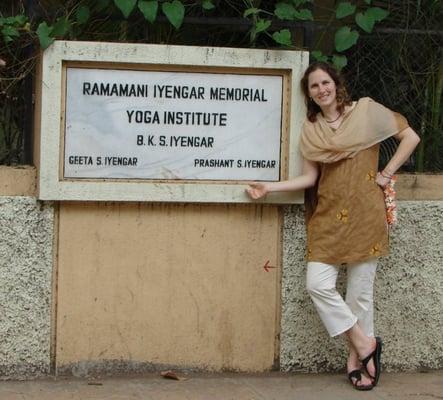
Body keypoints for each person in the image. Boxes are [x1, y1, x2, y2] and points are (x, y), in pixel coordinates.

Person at [246, 62, 420, 391]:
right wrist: (270, 188)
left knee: (360, 296)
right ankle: (366, 343)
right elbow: (310, 178)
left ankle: (356, 360)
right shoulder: (311, 130)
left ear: (336, 84)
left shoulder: (366, 112)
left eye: (325, 82)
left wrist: (386, 174)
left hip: (365, 214)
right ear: (309, 94)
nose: (321, 89)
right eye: (314, 86)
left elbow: (410, 137)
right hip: (327, 216)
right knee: (317, 285)